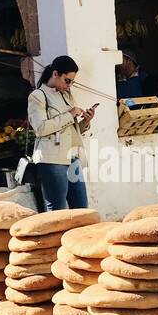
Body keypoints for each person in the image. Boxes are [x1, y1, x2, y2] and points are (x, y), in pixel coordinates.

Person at [27, 55, 95, 211]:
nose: (69, 85)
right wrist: (70, 114)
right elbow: (41, 128)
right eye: (67, 80)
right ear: (55, 74)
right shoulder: (38, 96)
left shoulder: (66, 95)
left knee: (81, 208)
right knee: (58, 210)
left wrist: (86, 121)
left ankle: (79, 236)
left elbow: (71, 130)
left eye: (72, 81)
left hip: (73, 156)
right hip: (52, 158)